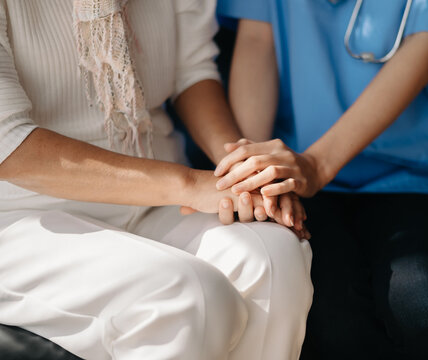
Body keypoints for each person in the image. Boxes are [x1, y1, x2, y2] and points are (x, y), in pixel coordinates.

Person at [0, 0, 313, 359]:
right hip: (19, 213)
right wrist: (192, 186)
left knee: (274, 256)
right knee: (184, 294)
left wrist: (242, 171)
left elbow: (191, 73)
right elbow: (7, 145)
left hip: (155, 198)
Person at [215, 0, 428, 359]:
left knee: (424, 309)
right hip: (294, 166)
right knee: (332, 321)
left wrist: (316, 165)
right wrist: (257, 176)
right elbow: (257, 38)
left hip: (412, 169)